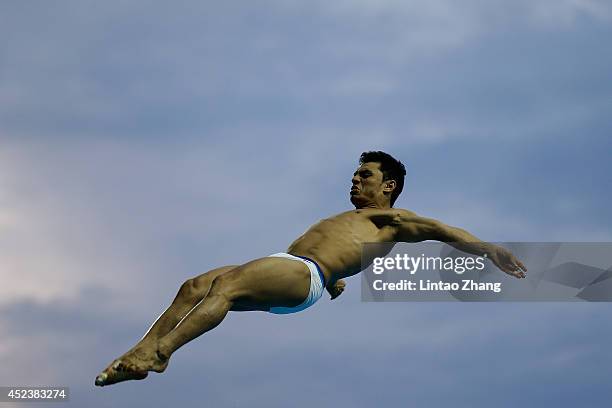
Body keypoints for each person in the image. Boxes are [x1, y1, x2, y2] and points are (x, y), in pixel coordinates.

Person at [95, 151, 526, 386]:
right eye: (354, 175)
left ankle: (162, 353)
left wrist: (490, 249)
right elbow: (348, 257)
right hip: (297, 271)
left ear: (388, 185)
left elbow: (444, 231)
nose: (354, 181)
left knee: (224, 286)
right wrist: (337, 279)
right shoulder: (353, 222)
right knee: (193, 286)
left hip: (304, 275)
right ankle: (140, 351)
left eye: (365, 175)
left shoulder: (392, 219)